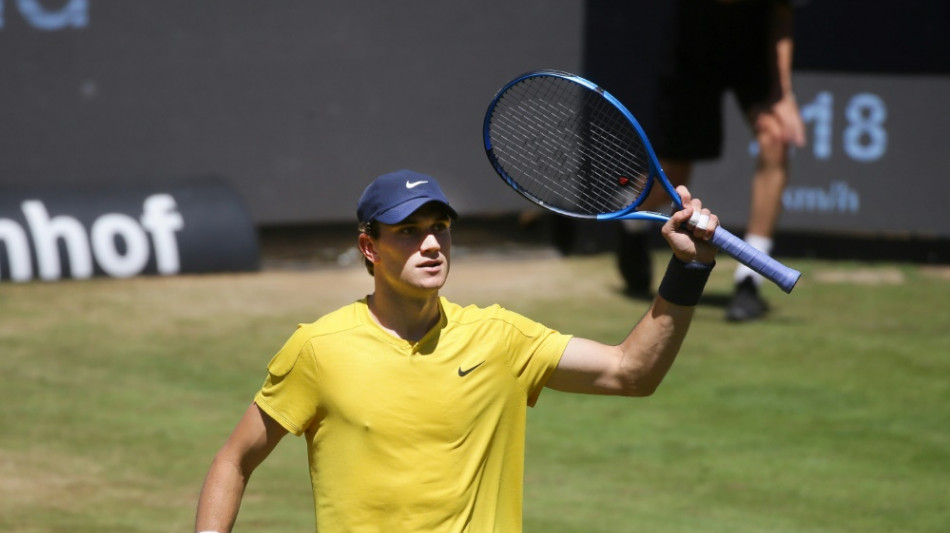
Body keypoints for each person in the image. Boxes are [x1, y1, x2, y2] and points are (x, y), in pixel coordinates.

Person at [195, 169, 720, 533]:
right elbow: (234, 460)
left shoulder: (501, 339)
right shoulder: (318, 350)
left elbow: (632, 372)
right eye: (408, 232)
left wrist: (689, 270)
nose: (430, 245)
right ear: (369, 248)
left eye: (439, 228)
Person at [616, 0, 806, 321]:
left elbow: (782, 13)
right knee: (672, 179)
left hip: (751, 49)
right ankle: (631, 222)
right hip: (692, 49)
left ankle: (749, 279)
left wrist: (782, 93)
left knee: (776, 139)